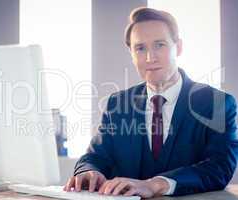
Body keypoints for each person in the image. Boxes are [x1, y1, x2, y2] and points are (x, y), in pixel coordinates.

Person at [64, 7, 238, 198]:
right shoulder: (118, 104)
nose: (150, 58)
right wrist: (88, 171)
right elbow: (96, 157)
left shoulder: (218, 104)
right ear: (131, 53)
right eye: (140, 48)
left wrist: (156, 184)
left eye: (159, 45)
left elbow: (220, 167)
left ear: (178, 47)